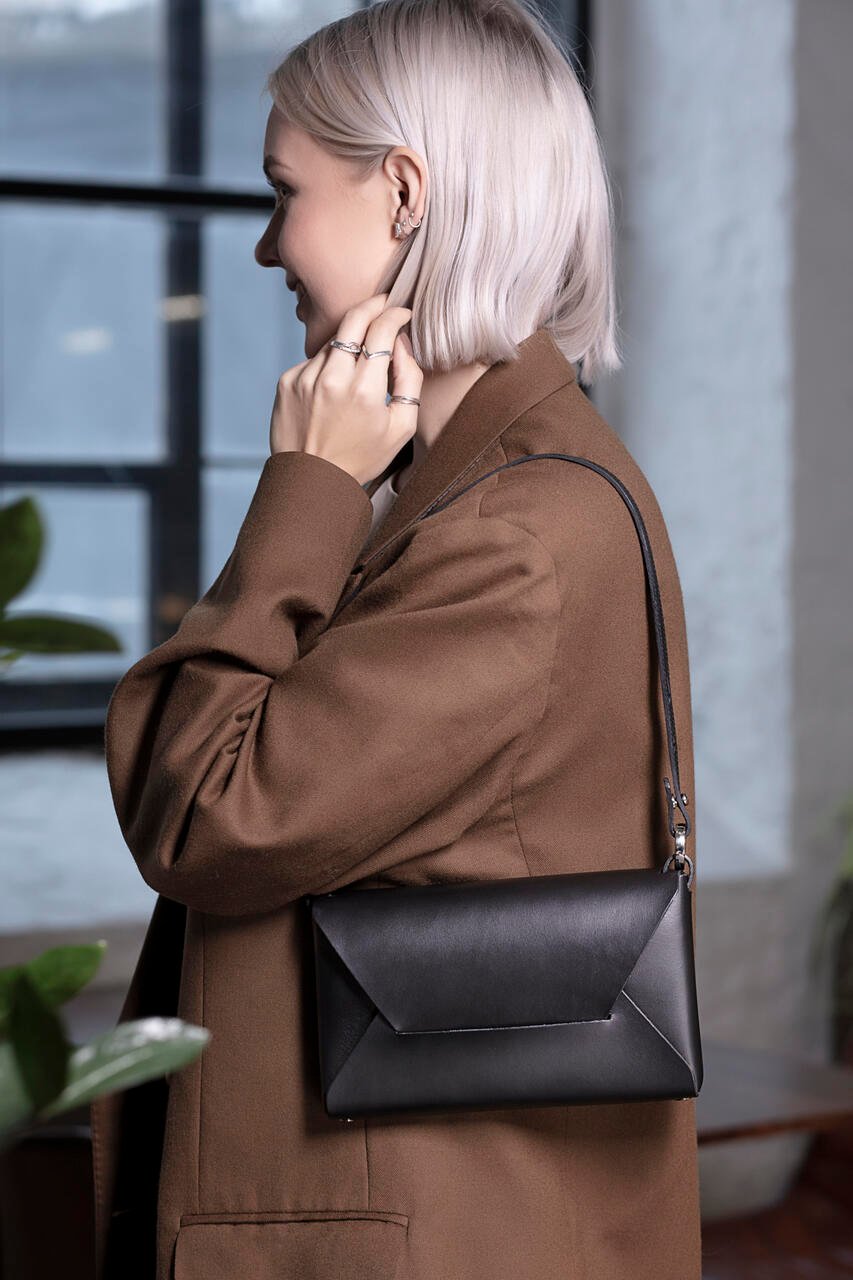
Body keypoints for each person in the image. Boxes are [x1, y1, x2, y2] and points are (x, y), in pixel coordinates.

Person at [90, 0, 703, 1276]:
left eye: (283, 192)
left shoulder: (512, 535)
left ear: (406, 195)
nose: (266, 249)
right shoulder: (479, 491)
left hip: (416, 1233)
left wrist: (305, 487)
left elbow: (203, 812)